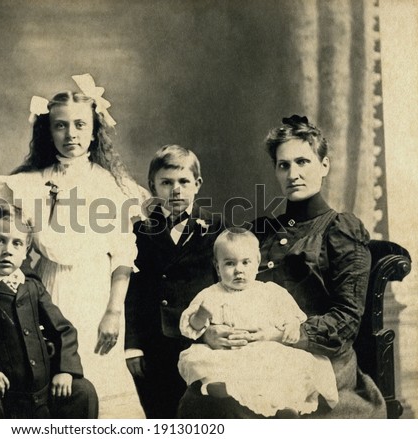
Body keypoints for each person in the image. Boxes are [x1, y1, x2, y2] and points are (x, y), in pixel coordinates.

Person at [178, 115, 386, 418]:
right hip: (248, 355)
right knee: (201, 399)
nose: (293, 174)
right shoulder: (259, 232)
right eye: (284, 165)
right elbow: (221, 292)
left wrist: (277, 334)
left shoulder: (339, 229)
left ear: (324, 165)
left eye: (303, 162)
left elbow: (347, 319)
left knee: (240, 407)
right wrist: (213, 333)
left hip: (318, 360)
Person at [0, 74, 146, 418]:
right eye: (61, 126)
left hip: (96, 294)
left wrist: (113, 311)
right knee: (51, 382)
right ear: (49, 130)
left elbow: (123, 255)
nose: (71, 134)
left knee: (99, 382)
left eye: (80, 124)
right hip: (45, 291)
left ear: (94, 130)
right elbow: (13, 250)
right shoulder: (28, 183)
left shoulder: (109, 185)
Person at [0, 204, 98, 419]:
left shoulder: (31, 287)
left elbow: (64, 329)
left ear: (25, 252)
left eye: (17, 243)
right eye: (0, 240)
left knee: (82, 391)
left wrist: (65, 369)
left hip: (41, 391)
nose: (7, 250)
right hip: (2, 395)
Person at [178, 228, 338, 418]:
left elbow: (293, 317)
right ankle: (219, 386)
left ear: (257, 262)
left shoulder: (270, 292)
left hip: (264, 350)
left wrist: (292, 326)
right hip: (229, 354)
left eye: (246, 262)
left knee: (288, 367)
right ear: (217, 266)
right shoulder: (210, 294)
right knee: (200, 360)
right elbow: (191, 328)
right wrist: (202, 315)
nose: (239, 270)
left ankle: (287, 405)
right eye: (229, 263)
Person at [124, 145, 223, 418]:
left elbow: (222, 284)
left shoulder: (215, 228)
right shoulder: (140, 230)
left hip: (198, 339)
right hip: (153, 342)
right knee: (159, 413)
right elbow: (132, 290)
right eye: (166, 183)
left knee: (197, 411)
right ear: (152, 186)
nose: (176, 190)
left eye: (183, 182)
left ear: (197, 184)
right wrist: (132, 344)